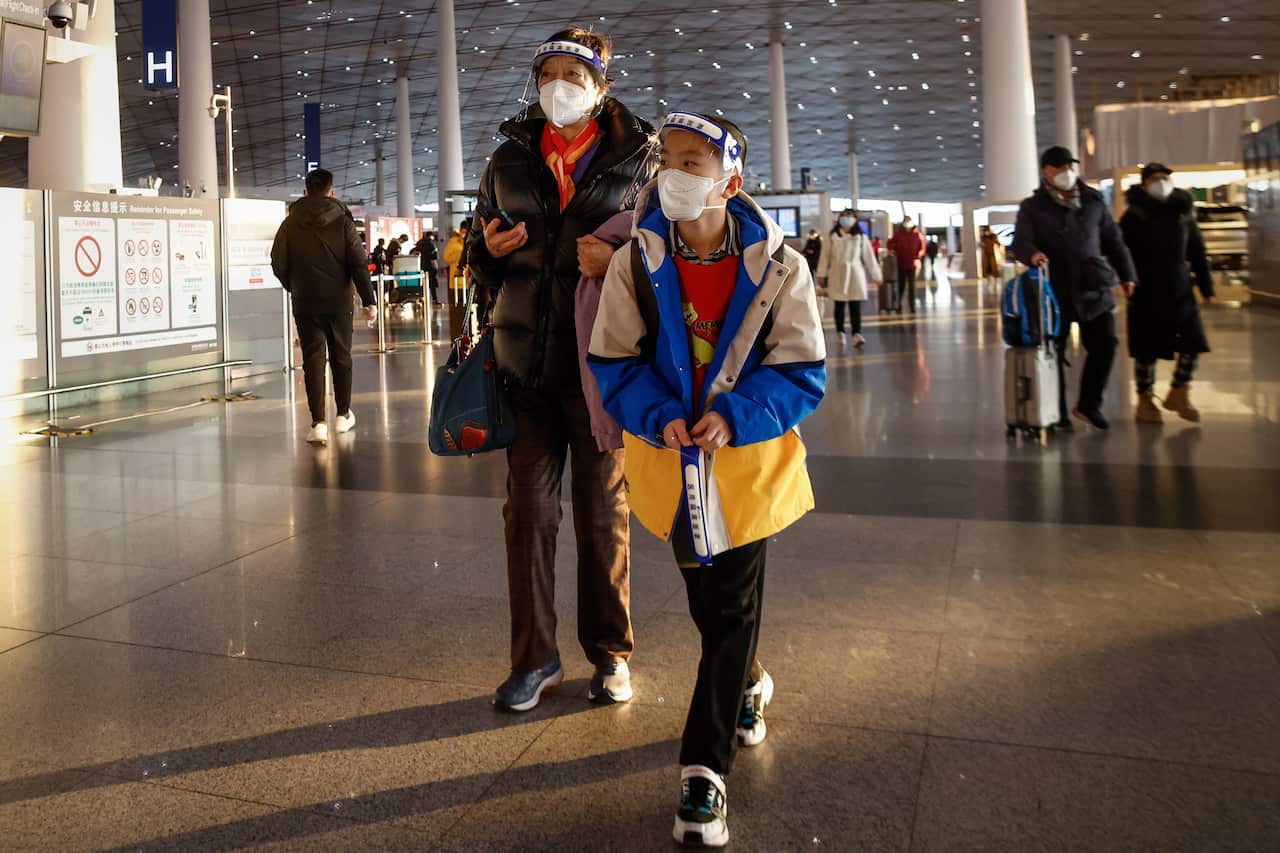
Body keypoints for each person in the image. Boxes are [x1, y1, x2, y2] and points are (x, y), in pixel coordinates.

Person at [589, 111, 825, 849]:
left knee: (729, 607)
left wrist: (736, 416)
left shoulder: (781, 266)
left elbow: (802, 369)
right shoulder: (638, 261)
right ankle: (749, 680)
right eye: (669, 160)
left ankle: (702, 773)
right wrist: (659, 416)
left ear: (731, 178)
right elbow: (613, 362)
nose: (675, 174)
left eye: (694, 162)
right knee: (709, 604)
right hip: (672, 469)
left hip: (746, 472)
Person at [465, 27, 654, 713]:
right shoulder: (509, 159)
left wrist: (622, 263)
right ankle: (534, 658)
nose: (559, 84)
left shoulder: (641, 157)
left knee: (605, 516)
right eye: (549, 72)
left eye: (574, 72)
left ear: (601, 84)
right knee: (529, 516)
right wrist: (486, 248)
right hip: (527, 368)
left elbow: (667, 252)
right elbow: (476, 258)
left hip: (603, 367)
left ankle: (610, 653)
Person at [1013, 145, 1137, 431]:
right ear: (1046, 172)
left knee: (1105, 345)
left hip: (1094, 286)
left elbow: (1114, 242)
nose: (1067, 173)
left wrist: (1127, 274)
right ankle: (1057, 412)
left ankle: (1089, 404)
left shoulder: (1093, 202)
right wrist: (1032, 254)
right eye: (1060, 168)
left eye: (1070, 166)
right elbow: (1021, 241)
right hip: (1053, 291)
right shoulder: (1032, 207)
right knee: (1053, 353)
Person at [270, 168, 376, 446]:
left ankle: (318, 423)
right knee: (341, 356)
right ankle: (342, 415)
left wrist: (294, 286)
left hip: (305, 302)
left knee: (312, 359)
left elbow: (277, 262)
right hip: (339, 302)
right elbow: (358, 263)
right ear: (332, 192)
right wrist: (369, 300)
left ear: (305, 191)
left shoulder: (290, 223)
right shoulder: (343, 221)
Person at [1120, 163, 1213, 424]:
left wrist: (1206, 288)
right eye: (1156, 178)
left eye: (1165, 178)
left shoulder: (1183, 213)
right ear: (1145, 182)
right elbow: (1121, 252)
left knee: (1192, 343)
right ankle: (1145, 399)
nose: (1161, 182)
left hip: (1180, 289)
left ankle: (1179, 392)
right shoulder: (1133, 216)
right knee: (1146, 349)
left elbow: (1197, 252)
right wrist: (1126, 279)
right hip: (1145, 290)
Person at [817, 209, 881, 348]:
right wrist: (821, 274)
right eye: (844, 216)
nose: (846, 219)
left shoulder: (861, 237)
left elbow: (869, 258)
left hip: (855, 273)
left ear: (855, 220)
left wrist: (877, 276)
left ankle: (857, 334)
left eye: (849, 217)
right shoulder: (832, 236)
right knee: (839, 304)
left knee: (855, 305)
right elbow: (824, 256)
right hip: (837, 272)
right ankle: (840, 332)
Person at [888, 216, 925, 313]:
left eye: (908, 221)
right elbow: (890, 244)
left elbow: (922, 248)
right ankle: (898, 305)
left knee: (912, 287)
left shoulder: (917, 234)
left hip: (912, 264)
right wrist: (894, 249)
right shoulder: (899, 234)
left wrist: (918, 258)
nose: (907, 223)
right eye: (905, 221)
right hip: (901, 263)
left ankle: (912, 306)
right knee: (901, 286)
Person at [413, 230, 441, 304]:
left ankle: (421, 299)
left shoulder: (419, 242)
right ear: (431, 236)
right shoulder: (431, 243)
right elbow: (435, 256)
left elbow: (414, 252)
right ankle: (434, 300)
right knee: (432, 284)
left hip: (421, 265)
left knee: (422, 283)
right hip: (431, 266)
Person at [979, 225, 1004, 291]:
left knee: (994, 268)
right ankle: (988, 281)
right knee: (986, 268)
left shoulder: (993, 236)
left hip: (993, 255)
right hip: (986, 255)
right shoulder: (983, 237)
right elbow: (981, 245)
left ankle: (995, 281)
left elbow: (998, 243)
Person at [879, 243, 898, 315]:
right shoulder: (887, 258)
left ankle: (892, 307)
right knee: (888, 292)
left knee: (893, 292)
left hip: (891, 278)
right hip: (887, 278)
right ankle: (888, 307)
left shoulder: (893, 258)